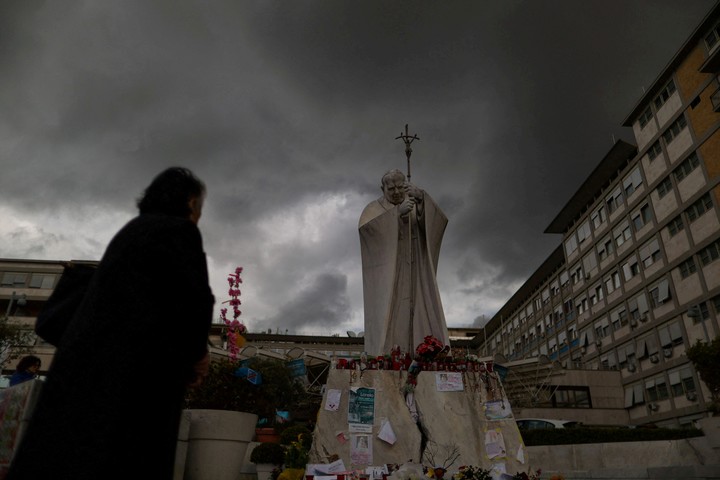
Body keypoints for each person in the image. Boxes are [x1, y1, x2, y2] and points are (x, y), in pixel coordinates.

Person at [7, 167, 215, 480]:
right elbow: (191, 301)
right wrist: (197, 355)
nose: (199, 216)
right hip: (136, 384)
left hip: (85, 378)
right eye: (200, 207)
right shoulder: (179, 231)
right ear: (189, 202)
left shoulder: (129, 234)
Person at [358, 169, 450, 357]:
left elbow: (438, 222)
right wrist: (396, 215)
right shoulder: (373, 209)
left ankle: (423, 350)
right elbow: (367, 231)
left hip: (416, 268)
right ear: (382, 188)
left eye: (400, 187)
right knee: (392, 311)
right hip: (390, 271)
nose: (397, 192)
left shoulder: (414, 201)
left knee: (419, 305)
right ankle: (389, 354)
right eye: (391, 189)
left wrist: (423, 200)